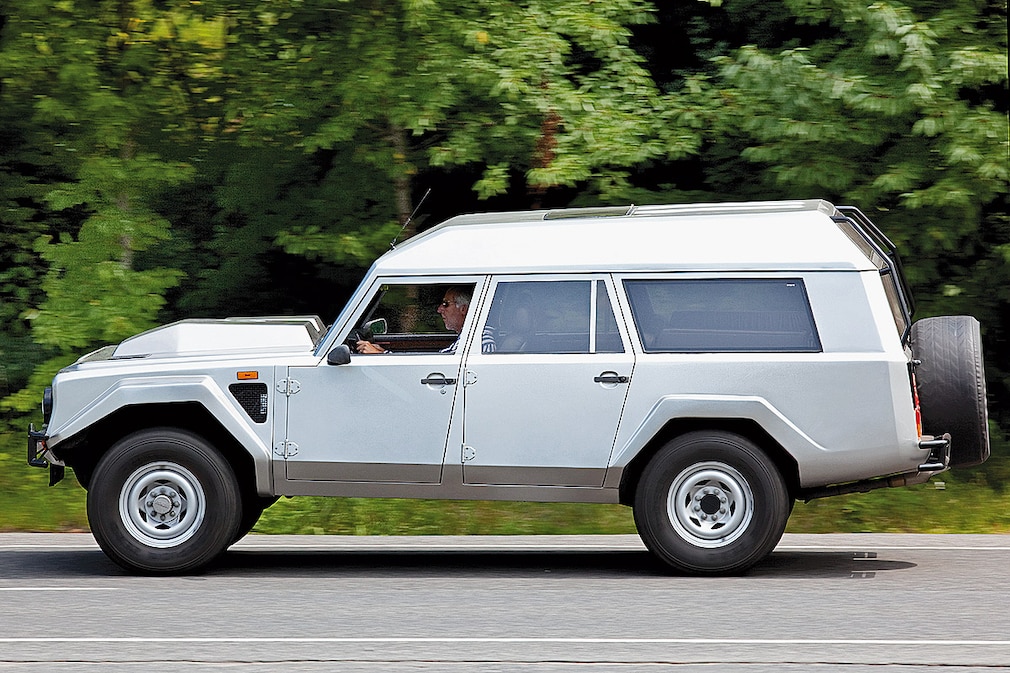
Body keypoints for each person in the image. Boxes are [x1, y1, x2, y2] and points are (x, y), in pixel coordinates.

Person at [356, 287, 495, 354]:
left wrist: (381, 355)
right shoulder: (469, 337)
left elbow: (442, 369)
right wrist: (383, 353)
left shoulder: (481, 340)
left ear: (463, 309)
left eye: (446, 304)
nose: (439, 309)